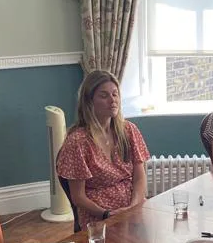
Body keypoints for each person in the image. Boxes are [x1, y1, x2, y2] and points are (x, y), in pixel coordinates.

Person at [56, 69, 150, 225]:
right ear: (89, 101)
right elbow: (78, 197)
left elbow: (140, 177)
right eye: (104, 95)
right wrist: (108, 214)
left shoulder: (129, 130)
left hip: (133, 208)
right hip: (100, 216)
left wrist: (132, 208)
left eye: (115, 94)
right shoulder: (77, 142)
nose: (112, 100)